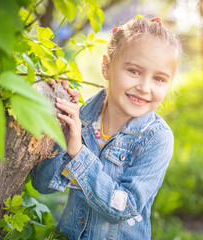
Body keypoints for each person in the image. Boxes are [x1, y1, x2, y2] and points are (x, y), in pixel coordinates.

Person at [30, 16, 182, 240]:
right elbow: (42, 184)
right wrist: (62, 123)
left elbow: (124, 208)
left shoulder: (157, 138)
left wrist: (79, 154)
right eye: (134, 71)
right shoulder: (82, 119)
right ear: (107, 67)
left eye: (159, 79)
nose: (144, 87)